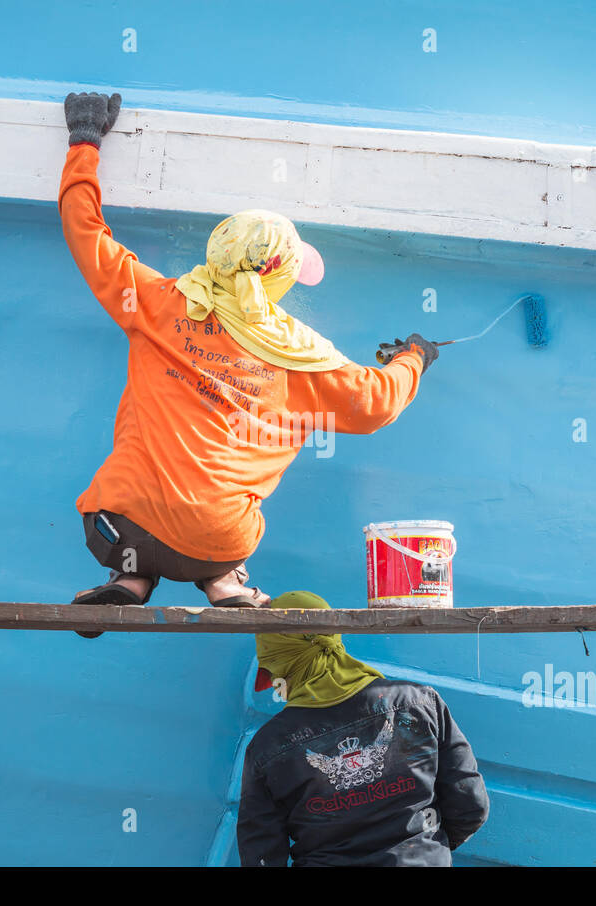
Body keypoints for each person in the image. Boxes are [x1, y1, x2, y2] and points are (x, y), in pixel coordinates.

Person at [58, 92, 439, 634]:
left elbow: (85, 233)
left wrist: (85, 141)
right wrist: (414, 358)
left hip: (119, 530)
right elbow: (378, 403)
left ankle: (128, 583)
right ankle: (226, 584)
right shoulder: (302, 357)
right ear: (281, 279)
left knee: (134, 512)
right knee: (220, 517)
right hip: (217, 541)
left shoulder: (155, 302)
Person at [237, 591, 489, 866]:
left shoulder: (268, 745)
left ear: (279, 659)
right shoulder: (419, 702)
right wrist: (428, 851)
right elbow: (470, 805)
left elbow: (260, 855)